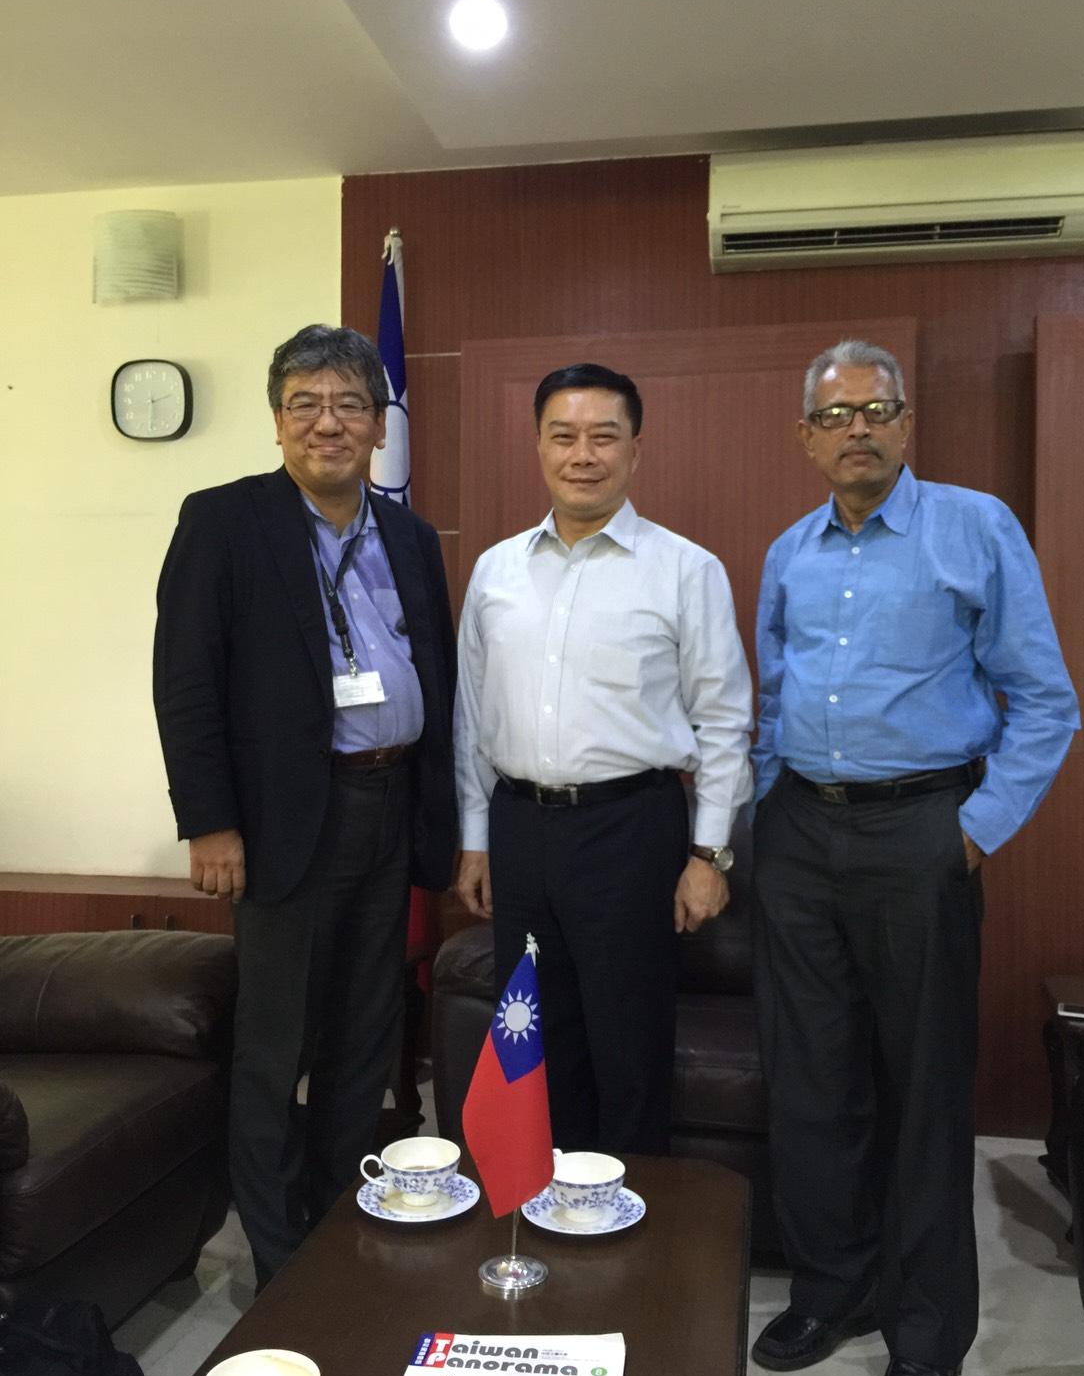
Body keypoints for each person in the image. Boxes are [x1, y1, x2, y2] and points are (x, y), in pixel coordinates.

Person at [749, 339, 1079, 1376]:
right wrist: (758, 816)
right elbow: (770, 696)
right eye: (836, 414)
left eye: (877, 408)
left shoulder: (974, 526)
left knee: (924, 1092)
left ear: (906, 423)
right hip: (799, 835)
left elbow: (1045, 700)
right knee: (812, 1085)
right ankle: (831, 1286)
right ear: (804, 436)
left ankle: (926, 1328)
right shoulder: (787, 550)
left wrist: (974, 827)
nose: (858, 428)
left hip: (920, 835)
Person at [153, 324, 456, 1289]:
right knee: (275, 1044)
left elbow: (437, 676)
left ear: (377, 424)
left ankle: (338, 1224)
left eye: (349, 405)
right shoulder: (226, 520)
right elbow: (186, 682)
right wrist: (210, 822)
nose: (328, 423)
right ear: (278, 420)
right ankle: (279, 1257)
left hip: (388, 804)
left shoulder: (408, 534)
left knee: (365, 1039)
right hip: (283, 823)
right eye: (306, 404)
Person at [454, 362, 753, 1153]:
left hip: (632, 831)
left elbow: (725, 720)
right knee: (536, 1043)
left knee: (629, 1047)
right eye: (563, 435)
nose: (582, 454)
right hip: (521, 830)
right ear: (538, 446)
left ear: (635, 450)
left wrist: (708, 854)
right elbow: (472, 718)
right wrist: (476, 837)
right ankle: (546, 1220)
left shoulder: (686, 570)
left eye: (603, 436)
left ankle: (630, 1243)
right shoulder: (496, 571)